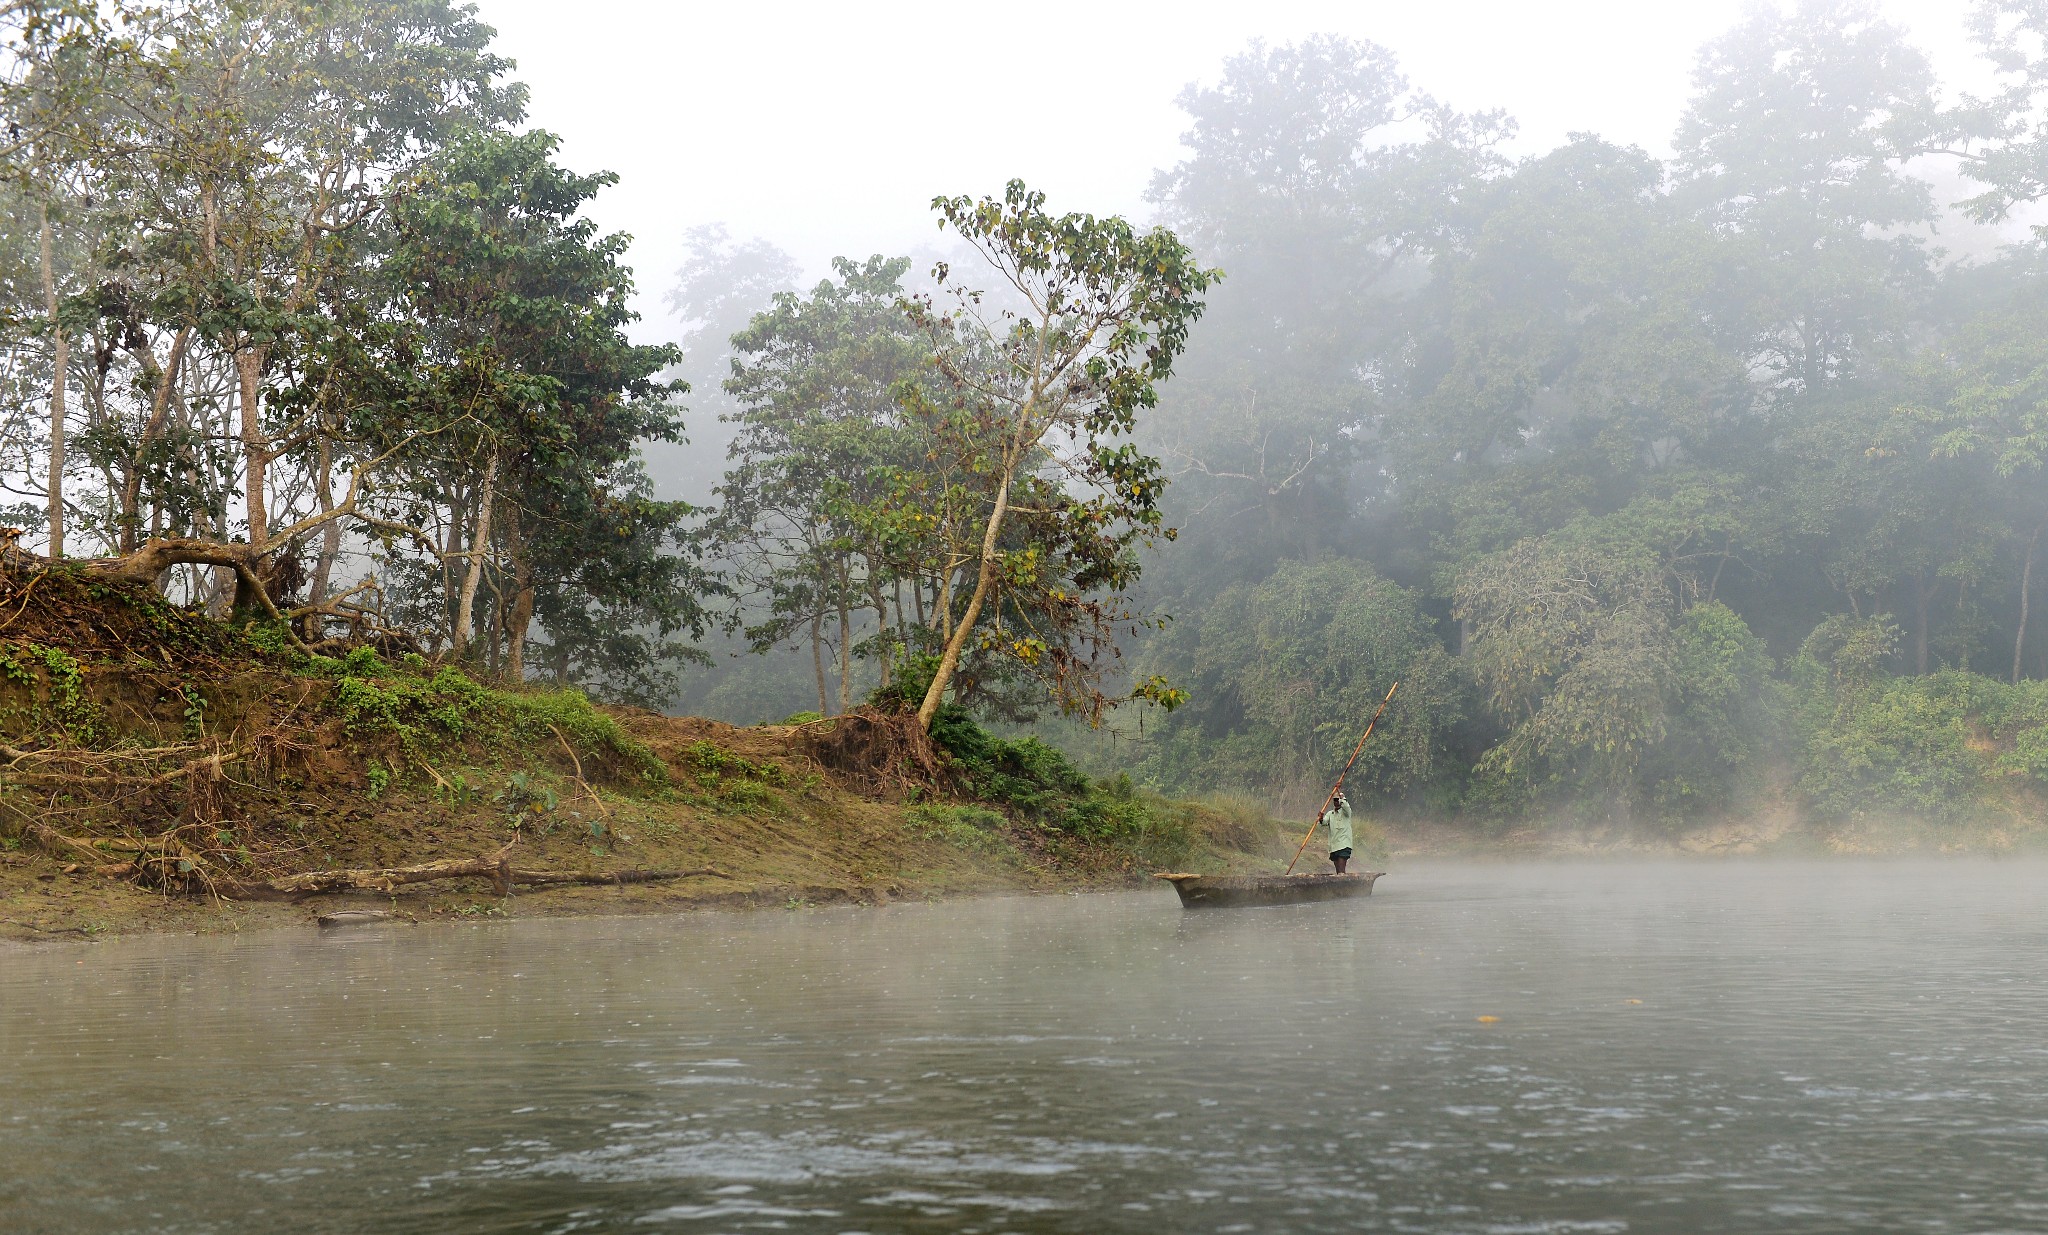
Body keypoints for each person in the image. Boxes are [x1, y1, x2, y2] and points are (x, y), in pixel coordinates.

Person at [1320, 791, 1354, 874]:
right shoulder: (1330, 814)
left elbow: (1346, 806)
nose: (1337, 802)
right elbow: (1324, 822)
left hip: (1344, 844)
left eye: (1338, 800)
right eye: (1335, 800)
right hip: (1334, 846)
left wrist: (1342, 797)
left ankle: (1343, 886)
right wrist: (1320, 818)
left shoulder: (1346, 813)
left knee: (1341, 870)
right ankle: (1341, 886)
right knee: (1338, 871)